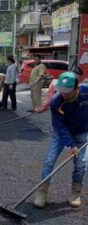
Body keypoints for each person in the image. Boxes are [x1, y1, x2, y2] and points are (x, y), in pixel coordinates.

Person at [33, 72, 88, 209]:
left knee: (80, 165)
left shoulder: (86, 92)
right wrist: (72, 145)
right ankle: (42, 193)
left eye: (67, 92)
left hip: (81, 133)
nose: (64, 94)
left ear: (76, 88)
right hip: (61, 134)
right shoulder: (57, 101)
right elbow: (60, 127)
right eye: (61, 91)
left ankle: (75, 194)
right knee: (49, 161)